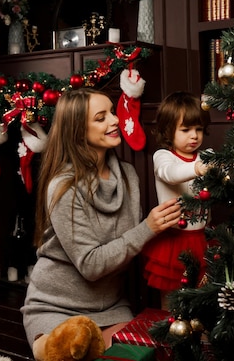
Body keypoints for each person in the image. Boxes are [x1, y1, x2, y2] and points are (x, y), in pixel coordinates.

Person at [20, 88, 182, 358]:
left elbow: (128, 248)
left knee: (139, 355)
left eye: (112, 112)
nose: (115, 120)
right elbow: (92, 266)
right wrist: (148, 228)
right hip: (55, 307)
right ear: (77, 130)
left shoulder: (129, 176)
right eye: (101, 117)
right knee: (63, 352)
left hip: (111, 307)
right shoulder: (63, 187)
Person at [142, 91, 211, 310]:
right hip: (174, 239)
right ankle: (171, 338)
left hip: (202, 237)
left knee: (201, 296)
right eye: (186, 129)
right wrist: (198, 168)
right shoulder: (163, 156)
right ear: (168, 131)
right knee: (172, 300)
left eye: (198, 129)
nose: (194, 136)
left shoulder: (206, 156)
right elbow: (170, 173)